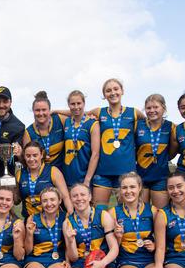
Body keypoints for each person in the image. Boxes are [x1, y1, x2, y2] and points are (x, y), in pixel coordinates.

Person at [88, 79, 146, 210]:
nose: (112, 93)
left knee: (126, 213)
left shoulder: (134, 113)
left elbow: (152, 123)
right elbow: (77, 113)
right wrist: (54, 112)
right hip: (103, 172)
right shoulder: (98, 112)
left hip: (127, 173)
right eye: (108, 90)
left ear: (122, 91)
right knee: (100, 212)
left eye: (116, 89)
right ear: (104, 95)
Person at [136, 94, 174, 208]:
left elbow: (173, 151)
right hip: (141, 176)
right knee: (142, 213)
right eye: (148, 108)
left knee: (160, 213)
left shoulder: (171, 127)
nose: (152, 110)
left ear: (163, 108)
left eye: (155, 107)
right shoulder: (138, 125)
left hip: (160, 177)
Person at [16, 141, 72, 218]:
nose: (31, 159)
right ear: (24, 156)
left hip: (52, 218)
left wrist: (71, 216)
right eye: (28, 156)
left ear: (41, 155)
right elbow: (16, 201)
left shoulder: (53, 171)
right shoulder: (19, 174)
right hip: (30, 220)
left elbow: (65, 197)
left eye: (35, 155)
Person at [61, 90, 100, 188]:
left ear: (84, 103)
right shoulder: (66, 122)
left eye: (79, 103)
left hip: (85, 178)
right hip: (68, 178)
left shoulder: (93, 124)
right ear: (68, 105)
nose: (76, 107)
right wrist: (54, 111)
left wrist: (87, 180)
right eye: (72, 104)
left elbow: (95, 154)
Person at [23, 91, 66, 169]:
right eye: (37, 110)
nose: (41, 113)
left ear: (49, 110)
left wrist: (57, 111)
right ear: (33, 111)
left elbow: (77, 113)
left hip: (63, 172)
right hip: (43, 176)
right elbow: (27, 160)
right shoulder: (28, 132)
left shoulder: (59, 119)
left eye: (44, 110)